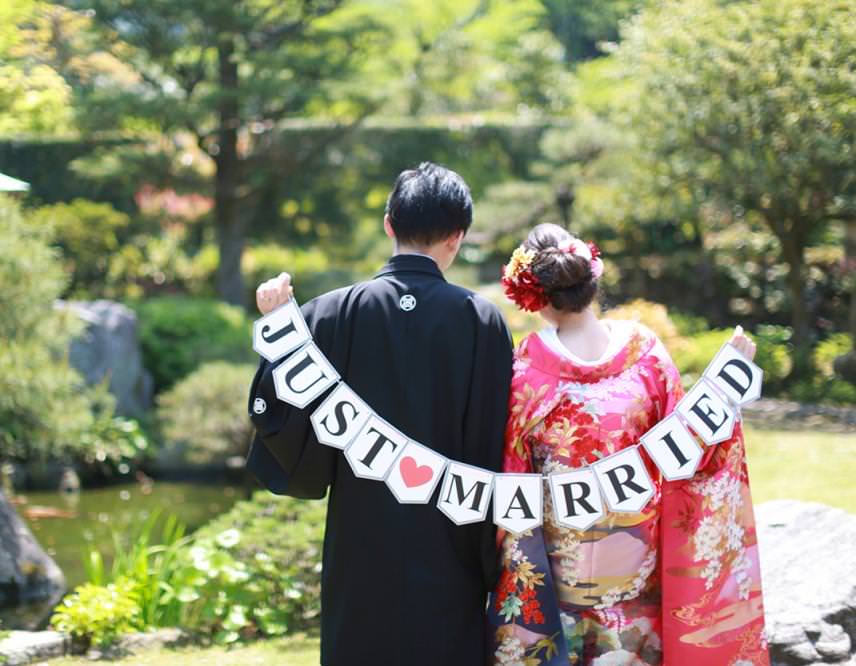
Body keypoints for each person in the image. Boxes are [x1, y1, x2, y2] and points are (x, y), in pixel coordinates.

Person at [247, 162, 518, 666]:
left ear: (389, 223)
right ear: (457, 237)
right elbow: (495, 443)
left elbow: (278, 414)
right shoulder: (480, 320)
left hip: (361, 538)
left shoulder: (330, 313)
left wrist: (281, 327)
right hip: (452, 538)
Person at [489, 223, 768, 665]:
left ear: (534, 295)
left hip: (562, 577)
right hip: (640, 568)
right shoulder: (647, 354)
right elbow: (691, 451)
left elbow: (511, 478)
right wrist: (721, 394)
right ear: (591, 279)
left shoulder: (527, 369)